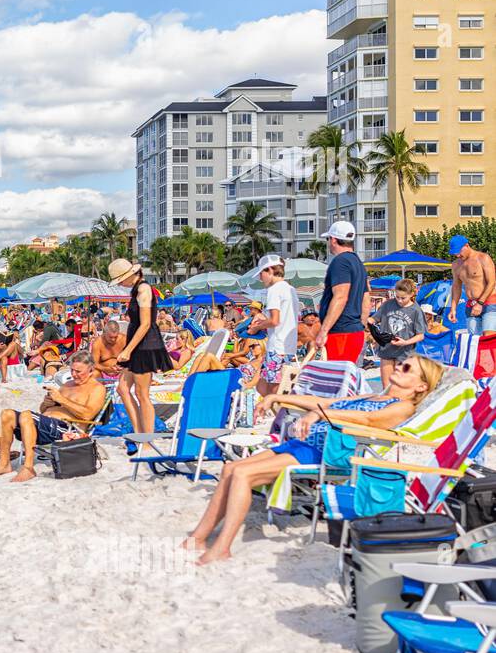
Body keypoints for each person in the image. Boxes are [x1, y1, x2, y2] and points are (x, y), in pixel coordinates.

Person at [185, 356, 442, 565]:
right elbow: (326, 401)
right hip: (305, 444)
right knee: (231, 468)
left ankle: (222, 547)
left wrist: (318, 415)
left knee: (243, 475)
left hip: (328, 453)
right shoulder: (374, 397)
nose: (398, 366)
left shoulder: (404, 407)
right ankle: (198, 537)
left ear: (421, 386)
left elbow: (367, 421)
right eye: (400, 362)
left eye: (407, 368)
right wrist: (279, 398)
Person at [0, 352, 106, 482]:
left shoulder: (96, 388)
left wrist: (61, 399)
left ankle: (28, 468)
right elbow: (43, 410)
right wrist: (46, 403)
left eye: (78, 371)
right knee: (7, 414)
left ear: (91, 369)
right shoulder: (67, 385)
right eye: (72, 370)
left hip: (68, 429)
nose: (74, 374)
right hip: (46, 426)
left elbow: (87, 415)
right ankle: (4, 464)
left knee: (26, 415)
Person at [108, 258, 172, 435]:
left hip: (146, 345)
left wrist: (127, 350)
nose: (120, 283)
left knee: (142, 394)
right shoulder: (136, 290)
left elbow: (145, 324)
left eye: (121, 280)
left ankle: (147, 437)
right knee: (122, 388)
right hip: (138, 344)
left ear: (130, 275)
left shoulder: (143, 289)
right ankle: (139, 432)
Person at [315, 220, 369, 363]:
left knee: (335, 379)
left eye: (328, 239)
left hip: (340, 332)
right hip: (354, 331)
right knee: (344, 378)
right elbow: (366, 298)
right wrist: (361, 325)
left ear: (333, 240)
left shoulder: (341, 262)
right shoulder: (358, 263)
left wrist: (323, 331)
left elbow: (340, 297)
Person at [248, 254, 301, 398]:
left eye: (262, 274)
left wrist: (257, 327)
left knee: (272, 388)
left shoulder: (274, 289)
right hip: (288, 345)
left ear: (270, 270)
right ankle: (273, 410)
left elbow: (275, 320)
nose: (260, 278)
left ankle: (277, 413)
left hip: (277, 345)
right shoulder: (291, 289)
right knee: (262, 386)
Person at [370, 278, 426, 390]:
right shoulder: (388, 304)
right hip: (386, 350)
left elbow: (421, 335)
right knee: (386, 388)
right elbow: (375, 319)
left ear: (411, 294)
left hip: (405, 353)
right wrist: (369, 322)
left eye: (403, 298)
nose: (399, 300)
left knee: (400, 387)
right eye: (397, 297)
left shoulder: (416, 310)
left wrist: (405, 342)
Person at [447, 234, 496, 336]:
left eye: (459, 252)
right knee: (474, 340)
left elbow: (492, 282)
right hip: (471, 304)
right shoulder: (456, 264)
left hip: (489, 302)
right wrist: (453, 309)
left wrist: (480, 303)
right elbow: (456, 287)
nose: (457, 255)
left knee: (489, 337)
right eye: (455, 253)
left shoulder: (483, 258)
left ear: (467, 245)